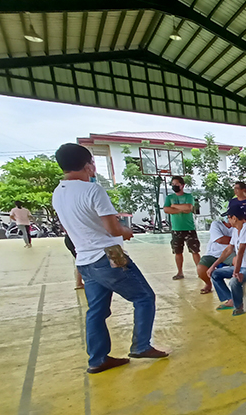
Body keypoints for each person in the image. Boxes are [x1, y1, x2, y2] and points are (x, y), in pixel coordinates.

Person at [52, 143, 167, 374]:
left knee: (96, 311)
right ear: (87, 166)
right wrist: (127, 231)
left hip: (84, 259)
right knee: (144, 297)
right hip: (108, 255)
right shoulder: (93, 190)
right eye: (93, 162)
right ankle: (141, 346)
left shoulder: (58, 192)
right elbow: (113, 229)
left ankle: (97, 359)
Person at [208, 202, 246, 316]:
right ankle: (231, 299)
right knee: (215, 274)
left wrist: (236, 272)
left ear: (234, 218)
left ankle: (239, 306)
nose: (228, 220)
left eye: (228, 217)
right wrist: (213, 265)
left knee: (235, 280)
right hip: (243, 267)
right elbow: (228, 250)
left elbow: (240, 252)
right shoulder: (235, 230)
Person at [163, 175, 201, 280]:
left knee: (195, 250)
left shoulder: (189, 196)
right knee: (178, 252)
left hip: (189, 228)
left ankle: (200, 271)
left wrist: (174, 207)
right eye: (173, 184)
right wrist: (181, 209)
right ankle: (180, 272)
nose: (174, 186)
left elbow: (189, 208)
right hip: (176, 229)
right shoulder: (169, 198)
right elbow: (166, 209)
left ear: (182, 185)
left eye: (177, 184)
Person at [197, 217, 233, 294]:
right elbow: (220, 239)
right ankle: (208, 284)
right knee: (201, 269)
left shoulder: (238, 226)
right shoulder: (216, 224)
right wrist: (235, 239)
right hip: (213, 253)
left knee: (239, 263)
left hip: (230, 253)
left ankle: (238, 286)